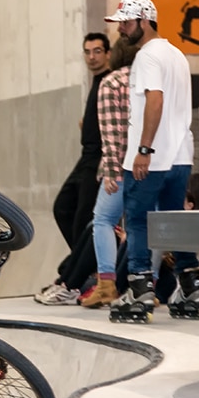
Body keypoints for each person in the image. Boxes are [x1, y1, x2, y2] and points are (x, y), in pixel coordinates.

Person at [102, 0, 199, 322]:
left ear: (145, 20)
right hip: (180, 155)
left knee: (137, 220)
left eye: (126, 22)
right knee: (175, 221)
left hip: (152, 157)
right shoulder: (176, 54)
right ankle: (191, 285)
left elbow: (155, 101)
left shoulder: (147, 56)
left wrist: (144, 150)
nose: (121, 29)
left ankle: (139, 287)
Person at [35, 32, 111, 305]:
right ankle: (81, 266)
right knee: (62, 207)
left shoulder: (110, 81)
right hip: (85, 156)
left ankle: (73, 279)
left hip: (99, 158)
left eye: (97, 51)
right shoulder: (96, 82)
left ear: (108, 54)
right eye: (87, 52)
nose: (92, 57)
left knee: (83, 221)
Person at [82, 34, 140, 309]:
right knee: (144, 224)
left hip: (122, 166)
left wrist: (111, 172)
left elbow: (111, 133)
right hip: (153, 164)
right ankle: (146, 285)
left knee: (103, 220)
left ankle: (106, 284)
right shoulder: (150, 80)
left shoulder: (112, 82)